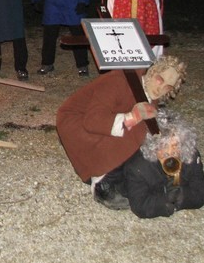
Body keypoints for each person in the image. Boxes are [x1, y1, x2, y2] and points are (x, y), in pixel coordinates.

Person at [56, 55, 186, 202]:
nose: (161, 88)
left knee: (144, 136)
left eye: (168, 87)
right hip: (78, 121)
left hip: (108, 121)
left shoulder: (151, 94)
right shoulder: (118, 80)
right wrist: (132, 117)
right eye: (160, 79)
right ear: (152, 71)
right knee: (131, 134)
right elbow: (92, 120)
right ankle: (101, 179)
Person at [120, 110, 204, 218]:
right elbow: (140, 206)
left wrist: (181, 196)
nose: (170, 154)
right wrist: (166, 201)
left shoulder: (190, 157)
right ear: (154, 147)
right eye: (164, 148)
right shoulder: (138, 168)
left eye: (175, 147)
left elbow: (200, 195)